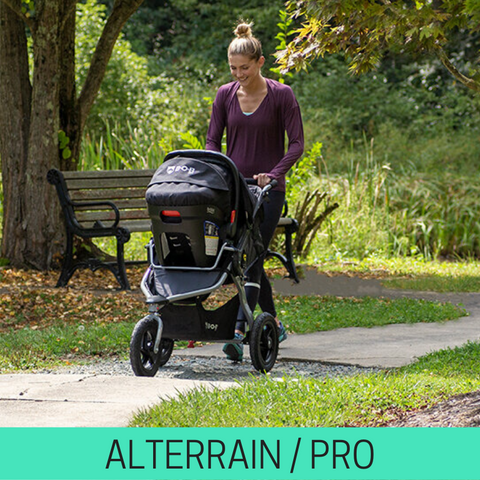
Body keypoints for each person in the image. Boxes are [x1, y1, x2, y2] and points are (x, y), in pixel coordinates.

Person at [206, 21, 304, 361]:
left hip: (269, 191)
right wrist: (221, 171)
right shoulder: (224, 95)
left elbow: (297, 144)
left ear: (260, 62)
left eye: (244, 68)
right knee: (243, 257)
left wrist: (274, 175)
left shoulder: (282, 95)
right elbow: (211, 141)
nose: (238, 74)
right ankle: (273, 324)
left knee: (253, 256)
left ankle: (238, 331)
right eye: (233, 69)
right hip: (236, 189)